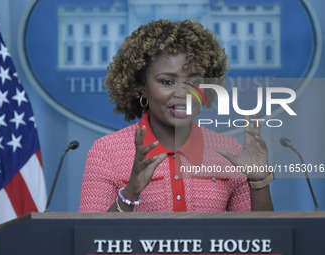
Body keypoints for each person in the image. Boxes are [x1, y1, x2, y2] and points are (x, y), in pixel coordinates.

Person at [79, 19, 274, 212]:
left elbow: (261, 240)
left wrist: (259, 182)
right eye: (166, 82)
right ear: (142, 87)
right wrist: (130, 193)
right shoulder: (106, 153)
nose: (182, 93)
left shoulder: (228, 151)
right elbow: (89, 240)